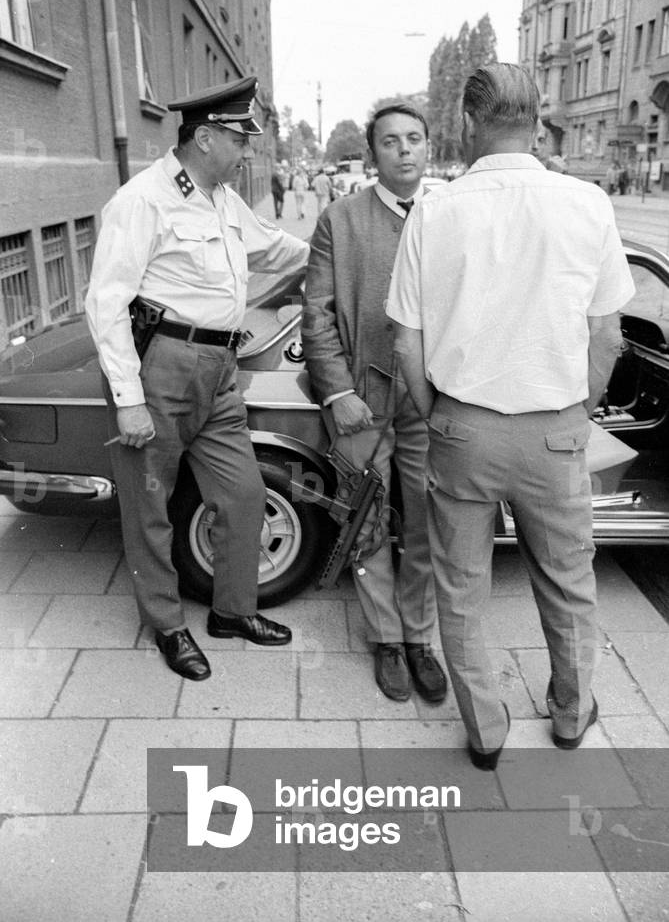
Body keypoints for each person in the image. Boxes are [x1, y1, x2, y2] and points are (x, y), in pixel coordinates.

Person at [387, 63, 634, 766]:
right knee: (567, 579)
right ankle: (568, 711)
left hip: (462, 423)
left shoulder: (434, 209)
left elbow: (404, 336)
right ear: (538, 119)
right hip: (554, 424)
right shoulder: (585, 204)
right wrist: (576, 410)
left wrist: (436, 410)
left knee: (460, 583)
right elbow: (608, 332)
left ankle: (485, 729)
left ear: (468, 122)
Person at [86, 77, 309, 682]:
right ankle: (167, 626)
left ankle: (232, 612)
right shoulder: (142, 200)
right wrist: (130, 401)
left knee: (243, 494)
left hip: (217, 371)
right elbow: (105, 302)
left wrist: (338, 243)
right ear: (205, 137)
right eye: (240, 140)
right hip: (160, 367)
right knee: (151, 507)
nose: (247, 152)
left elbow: (275, 249)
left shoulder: (221, 198)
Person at [303, 103, 447, 704]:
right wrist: (337, 392)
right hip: (362, 397)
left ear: (428, 148)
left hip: (430, 398)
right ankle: (385, 639)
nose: (405, 150)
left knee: (425, 518)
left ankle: (420, 639)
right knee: (366, 516)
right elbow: (316, 315)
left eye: (414, 139)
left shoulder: (449, 218)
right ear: (372, 155)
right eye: (391, 141)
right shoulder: (341, 219)